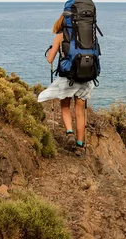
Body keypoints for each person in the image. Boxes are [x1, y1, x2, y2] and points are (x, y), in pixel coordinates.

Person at [38, 13, 95, 152]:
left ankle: (70, 133)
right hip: (86, 77)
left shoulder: (60, 35)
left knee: (65, 107)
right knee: (80, 112)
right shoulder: (89, 34)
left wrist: (53, 50)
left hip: (68, 78)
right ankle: (80, 145)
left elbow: (50, 59)